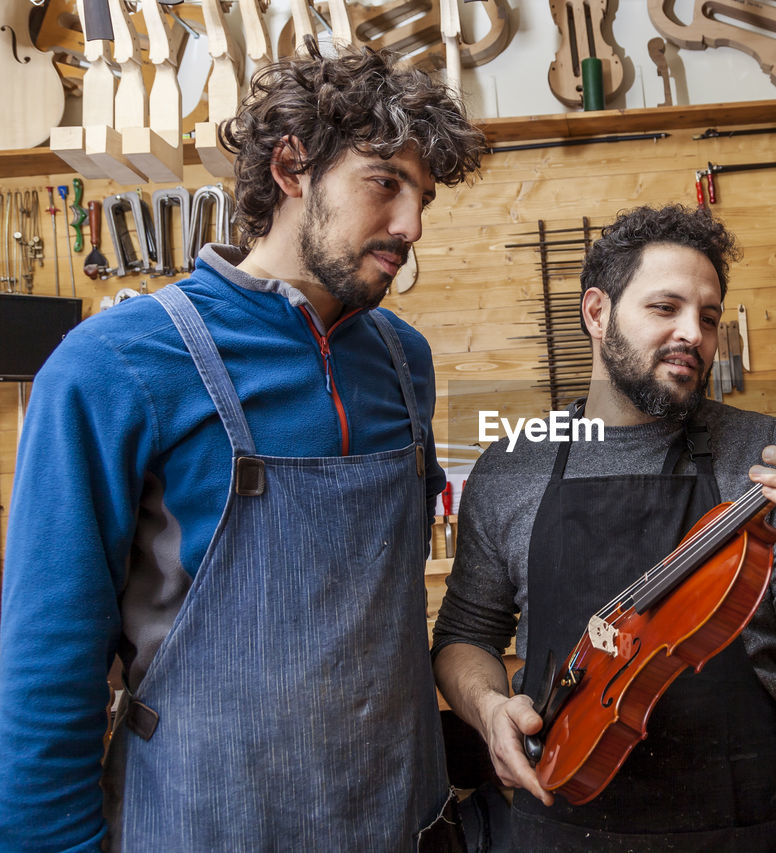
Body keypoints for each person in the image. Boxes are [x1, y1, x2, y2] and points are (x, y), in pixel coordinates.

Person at [0, 42, 484, 850]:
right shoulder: (115, 367)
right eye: (385, 183)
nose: (412, 225)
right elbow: (49, 668)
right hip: (205, 823)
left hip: (402, 817)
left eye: (424, 196)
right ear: (293, 168)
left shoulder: (405, 363)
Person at [432, 203, 776, 851]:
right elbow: (465, 636)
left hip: (740, 826)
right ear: (596, 313)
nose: (692, 333)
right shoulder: (515, 464)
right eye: (664, 308)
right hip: (562, 820)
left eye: (709, 316)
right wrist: (490, 709)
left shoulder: (758, 451)